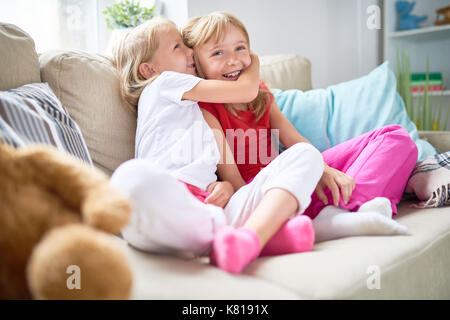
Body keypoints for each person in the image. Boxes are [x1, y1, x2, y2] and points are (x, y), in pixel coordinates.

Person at [110, 16, 326, 274]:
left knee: (306, 154)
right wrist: (253, 60)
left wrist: (222, 185)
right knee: (130, 176)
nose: (190, 51)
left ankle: (244, 240)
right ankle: (259, 238)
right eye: (178, 47)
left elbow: (219, 174)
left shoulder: (196, 109)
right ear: (149, 70)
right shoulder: (163, 83)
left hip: (206, 208)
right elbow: (246, 92)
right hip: (170, 201)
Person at [182, 12, 417, 244]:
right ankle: (346, 212)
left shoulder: (260, 93)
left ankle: (343, 211)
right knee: (306, 160)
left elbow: (295, 139)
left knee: (396, 137)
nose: (233, 60)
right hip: (269, 195)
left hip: (297, 171)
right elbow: (236, 186)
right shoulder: (204, 109)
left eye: (240, 48)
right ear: (197, 66)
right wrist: (310, 168)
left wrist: (321, 168)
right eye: (218, 52)